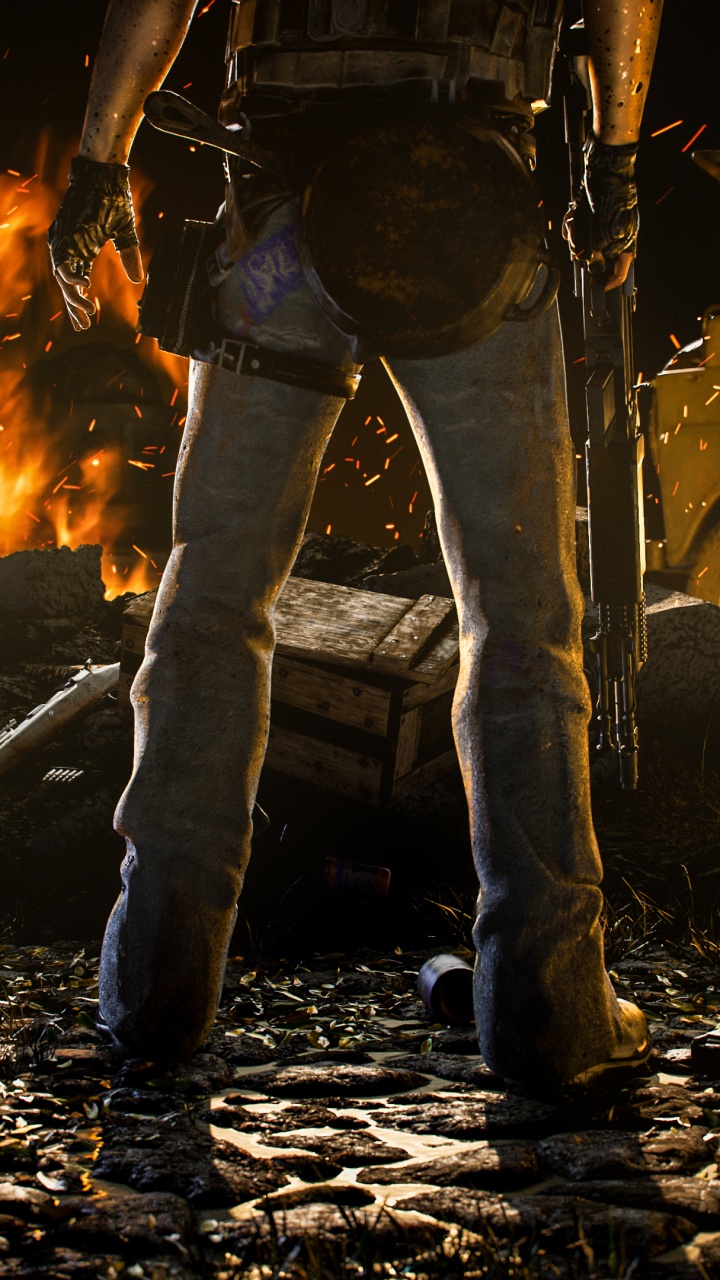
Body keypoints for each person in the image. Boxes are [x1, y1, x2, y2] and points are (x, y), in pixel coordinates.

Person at [49, 0, 664, 1089]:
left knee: (212, 600)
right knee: (520, 614)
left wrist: (101, 160)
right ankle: (550, 1007)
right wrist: (614, 168)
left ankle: (155, 990)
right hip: (462, 212)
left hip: (283, 228)